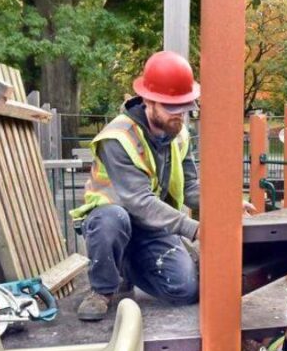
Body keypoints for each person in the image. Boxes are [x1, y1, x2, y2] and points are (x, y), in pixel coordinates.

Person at [70, 50, 255, 320]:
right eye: (171, 107)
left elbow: (190, 186)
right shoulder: (118, 138)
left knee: (186, 289)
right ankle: (103, 289)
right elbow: (138, 202)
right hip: (112, 219)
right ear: (148, 100)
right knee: (112, 219)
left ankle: (127, 266)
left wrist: (225, 207)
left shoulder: (177, 136)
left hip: (150, 227)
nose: (179, 115)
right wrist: (195, 229)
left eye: (185, 107)